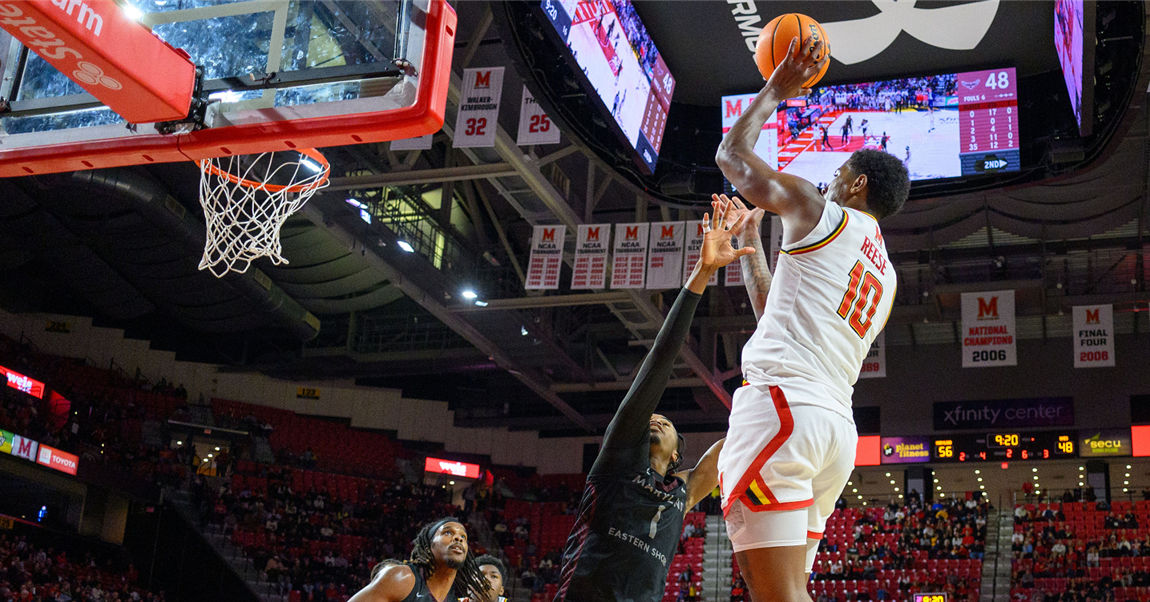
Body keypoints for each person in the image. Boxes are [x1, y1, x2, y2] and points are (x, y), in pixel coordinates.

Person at [713, 37, 910, 602]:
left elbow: (732, 158)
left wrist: (777, 89)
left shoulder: (818, 210)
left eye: (837, 173)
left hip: (782, 411)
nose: (826, 181)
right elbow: (778, 316)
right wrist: (751, 250)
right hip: (832, 432)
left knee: (775, 595)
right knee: (786, 590)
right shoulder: (888, 278)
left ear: (856, 185)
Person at [554, 200, 757, 602]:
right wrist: (701, 274)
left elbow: (734, 443)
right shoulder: (617, 463)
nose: (656, 419)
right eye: (653, 417)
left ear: (679, 454)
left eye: (665, 422)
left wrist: (761, 386)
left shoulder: (684, 492)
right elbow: (658, 363)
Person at [349, 518, 489, 602]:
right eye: (447, 532)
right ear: (429, 545)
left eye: (463, 537)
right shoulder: (403, 578)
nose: (458, 538)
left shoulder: (457, 597)